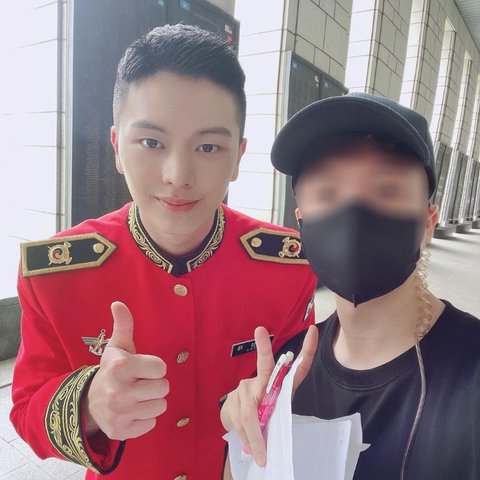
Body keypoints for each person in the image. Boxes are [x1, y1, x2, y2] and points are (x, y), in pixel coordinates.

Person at [10, 25, 317, 480]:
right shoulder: (57, 275)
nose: (178, 175)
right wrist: (90, 403)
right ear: (117, 147)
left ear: (238, 157)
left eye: (208, 147)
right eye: (151, 142)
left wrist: (275, 403)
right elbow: (25, 409)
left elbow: (303, 387)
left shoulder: (288, 268)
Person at [221, 93, 480, 480]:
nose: (354, 214)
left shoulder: (471, 375)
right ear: (302, 223)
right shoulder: (286, 373)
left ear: (427, 223)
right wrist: (243, 428)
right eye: (327, 193)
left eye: (386, 190)